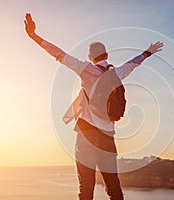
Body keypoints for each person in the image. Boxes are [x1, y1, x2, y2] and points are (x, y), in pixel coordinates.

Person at [24, 13, 163, 200]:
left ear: (90, 58)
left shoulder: (85, 69)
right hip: (107, 138)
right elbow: (134, 63)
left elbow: (58, 53)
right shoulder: (117, 73)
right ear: (107, 55)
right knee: (113, 187)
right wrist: (148, 52)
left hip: (86, 135)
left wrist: (34, 36)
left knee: (86, 187)